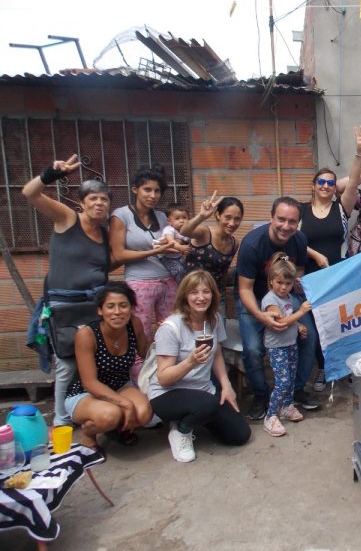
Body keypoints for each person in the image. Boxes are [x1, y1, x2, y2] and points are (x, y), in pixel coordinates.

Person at [22, 154, 112, 426]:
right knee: (68, 363)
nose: (99, 203)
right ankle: (61, 421)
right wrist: (51, 173)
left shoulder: (104, 233)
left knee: (92, 361)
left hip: (93, 305)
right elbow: (30, 194)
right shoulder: (68, 219)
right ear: (82, 203)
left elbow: (102, 266)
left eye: (104, 199)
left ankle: (83, 409)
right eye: (93, 199)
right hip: (65, 306)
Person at [148, 270, 250, 463]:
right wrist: (190, 362)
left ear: (213, 294)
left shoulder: (214, 319)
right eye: (194, 292)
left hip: (202, 390)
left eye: (206, 292)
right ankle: (181, 429)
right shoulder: (170, 328)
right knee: (208, 404)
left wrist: (226, 385)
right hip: (167, 394)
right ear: (185, 296)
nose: (201, 297)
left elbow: (217, 353)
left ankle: (197, 417)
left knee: (239, 435)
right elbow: (163, 377)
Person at [237, 197, 320, 421]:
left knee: (310, 336)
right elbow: (244, 289)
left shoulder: (299, 240)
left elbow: (299, 270)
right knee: (253, 349)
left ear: (298, 223)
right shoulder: (252, 244)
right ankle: (261, 395)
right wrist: (261, 316)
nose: (286, 226)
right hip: (254, 299)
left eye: (292, 221)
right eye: (281, 219)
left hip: (286, 296)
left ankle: (294, 391)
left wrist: (298, 285)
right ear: (271, 217)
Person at [300, 127, 361, 391]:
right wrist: (313, 256)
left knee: (343, 323)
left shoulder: (342, 207)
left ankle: (344, 368)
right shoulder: (301, 210)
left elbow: (352, 182)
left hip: (339, 272)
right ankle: (324, 370)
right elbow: (295, 239)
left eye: (330, 182)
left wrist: (359, 153)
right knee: (318, 327)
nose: (326, 186)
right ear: (314, 185)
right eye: (321, 182)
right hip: (311, 276)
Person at [65, 282, 152, 448]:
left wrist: (165, 334)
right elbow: (89, 383)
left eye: (123, 306)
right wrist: (125, 403)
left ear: (131, 308)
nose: (117, 312)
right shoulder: (87, 334)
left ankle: (116, 429)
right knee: (110, 415)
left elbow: (145, 353)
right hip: (85, 393)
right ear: (100, 310)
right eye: (110, 306)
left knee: (144, 413)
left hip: (120, 385)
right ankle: (89, 433)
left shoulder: (134, 324)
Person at [110, 168, 177, 379]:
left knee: (172, 329)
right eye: (147, 189)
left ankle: (168, 378)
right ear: (135, 189)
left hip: (168, 281)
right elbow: (119, 253)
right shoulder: (121, 216)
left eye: (157, 191)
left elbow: (172, 242)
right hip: (139, 283)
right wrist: (155, 251)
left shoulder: (161, 217)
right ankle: (142, 384)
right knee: (141, 334)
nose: (153, 195)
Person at [261, 253, 313, 437]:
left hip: (290, 344)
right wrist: (301, 313)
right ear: (271, 282)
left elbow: (289, 320)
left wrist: (298, 326)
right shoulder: (270, 301)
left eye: (288, 284)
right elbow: (281, 322)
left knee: (290, 379)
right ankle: (270, 416)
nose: (283, 287)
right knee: (282, 382)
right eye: (279, 283)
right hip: (277, 348)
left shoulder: (288, 299)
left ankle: (287, 407)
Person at [181, 193, 244, 314]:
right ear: (218, 215)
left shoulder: (234, 243)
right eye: (228, 217)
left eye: (237, 219)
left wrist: (222, 293)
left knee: (218, 331)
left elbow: (224, 272)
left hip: (216, 296)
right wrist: (201, 216)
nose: (232, 223)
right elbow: (184, 231)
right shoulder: (205, 233)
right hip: (192, 295)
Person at [158, 203, 193, 285]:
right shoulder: (169, 229)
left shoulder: (183, 231)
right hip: (168, 258)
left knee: (189, 268)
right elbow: (171, 242)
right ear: (169, 221)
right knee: (179, 271)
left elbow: (190, 240)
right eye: (177, 218)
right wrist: (181, 248)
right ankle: (182, 286)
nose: (181, 220)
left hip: (178, 257)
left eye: (184, 218)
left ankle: (187, 284)